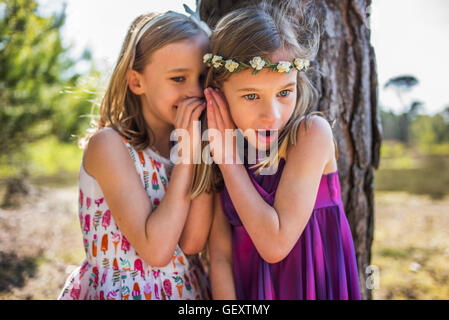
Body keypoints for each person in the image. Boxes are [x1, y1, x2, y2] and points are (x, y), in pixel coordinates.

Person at [192, 2, 362, 299]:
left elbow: (274, 245)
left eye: (285, 92)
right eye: (251, 95)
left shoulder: (310, 136)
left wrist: (228, 161)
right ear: (218, 92)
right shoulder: (223, 151)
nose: (271, 114)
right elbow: (220, 257)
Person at [59, 11, 212, 300]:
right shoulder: (109, 146)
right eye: (178, 78)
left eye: (202, 78)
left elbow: (193, 242)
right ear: (136, 82)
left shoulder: (192, 147)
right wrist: (188, 160)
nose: (194, 91)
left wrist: (198, 151)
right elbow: (157, 250)